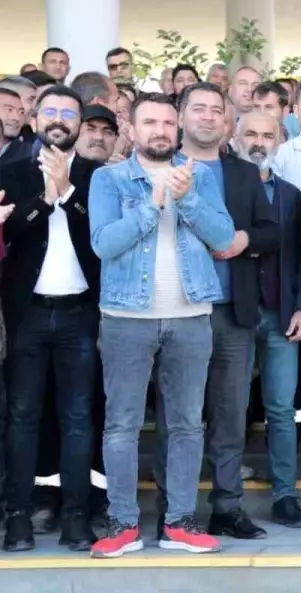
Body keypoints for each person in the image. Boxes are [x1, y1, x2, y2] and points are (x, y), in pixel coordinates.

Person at [87, 93, 234, 558]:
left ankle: (179, 523)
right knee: (121, 425)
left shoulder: (202, 176)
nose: (161, 130)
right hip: (126, 318)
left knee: (189, 424)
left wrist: (187, 198)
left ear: (179, 128)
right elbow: (104, 244)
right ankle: (123, 523)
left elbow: (225, 237)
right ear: (131, 129)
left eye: (168, 122)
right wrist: (152, 204)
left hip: (191, 316)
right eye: (150, 122)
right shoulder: (108, 179)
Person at [156, 83, 279, 542]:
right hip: (176, 310)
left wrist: (244, 240)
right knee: (177, 416)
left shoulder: (243, 174)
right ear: (181, 117)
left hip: (232, 310)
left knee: (230, 415)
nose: (208, 117)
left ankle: (227, 507)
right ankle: (172, 511)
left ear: (227, 122)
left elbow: (272, 231)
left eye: (216, 111)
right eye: (199, 109)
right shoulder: (158, 167)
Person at [0, 86, 102, 553]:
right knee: (21, 417)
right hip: (27, 316)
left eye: (69, 113)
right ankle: (17, 516)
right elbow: (13, 230)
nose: (59, 119)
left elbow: (99, 235)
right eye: (51, 112)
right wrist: (46, 196)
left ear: (79, 123)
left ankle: (76, 515)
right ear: (34, 117)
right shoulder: (10, 170)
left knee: (78, 418)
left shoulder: (98, 176)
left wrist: (70, 193)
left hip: (80, 315)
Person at [233, 112, 301, 528]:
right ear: (235, 137)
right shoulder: (221, 185)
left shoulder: (291, 194)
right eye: (251, 133)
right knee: (229, 409)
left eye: (268, 135)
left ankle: (286, 496)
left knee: (282, 409)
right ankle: (227, 500)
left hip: (283, 314)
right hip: (235, 316)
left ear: (281, 141)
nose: (259, 142)